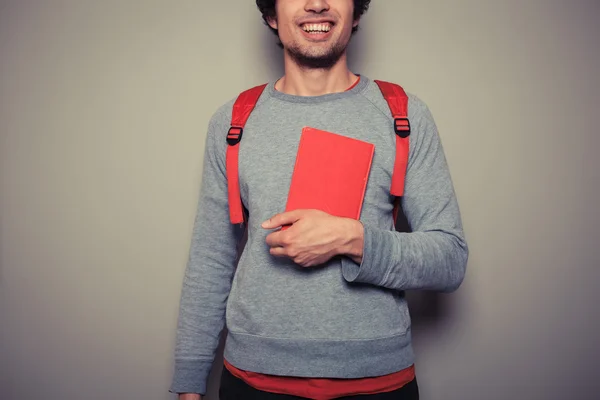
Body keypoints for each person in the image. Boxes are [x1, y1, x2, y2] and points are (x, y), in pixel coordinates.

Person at [170, 1, 468, 399]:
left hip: (377, 381)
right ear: (272, 14)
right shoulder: (233, 121)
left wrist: (353, 240)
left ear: (356, 11)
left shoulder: (405, 114)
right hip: (252, 381)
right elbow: (211, 259)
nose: (316, 3)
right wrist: (190, 381)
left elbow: (449, 259)